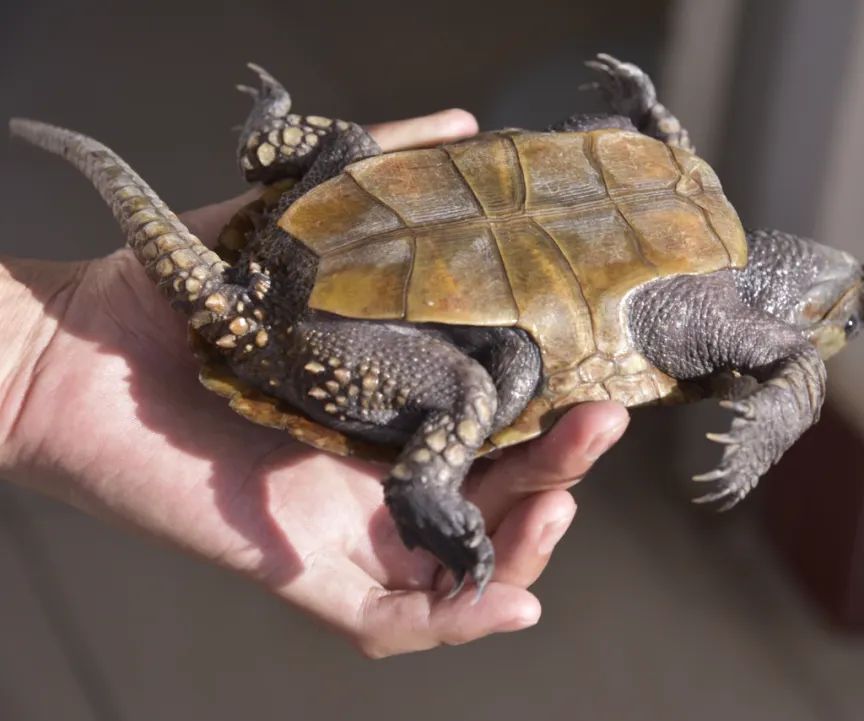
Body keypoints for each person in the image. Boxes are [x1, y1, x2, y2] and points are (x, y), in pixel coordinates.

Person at [0, 109, 630, 658]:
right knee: (473, 394)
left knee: (349, 147)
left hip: (305, 275)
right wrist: (32, 361)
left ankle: (263, 137)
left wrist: (35, 360)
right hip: (324, 338)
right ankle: (422, 487)